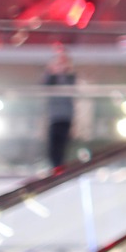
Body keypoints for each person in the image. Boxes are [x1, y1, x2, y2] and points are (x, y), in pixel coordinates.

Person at [43, 41, 77, 170]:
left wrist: (63, 68)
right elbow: (46, 83)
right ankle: (55, 168)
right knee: (53, 145)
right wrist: (53, 70)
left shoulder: (69, 77)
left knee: (62, 145)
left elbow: (70, 83)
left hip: (66, 117)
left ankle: (60, 167)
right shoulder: (50, 79)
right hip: (54, 117)